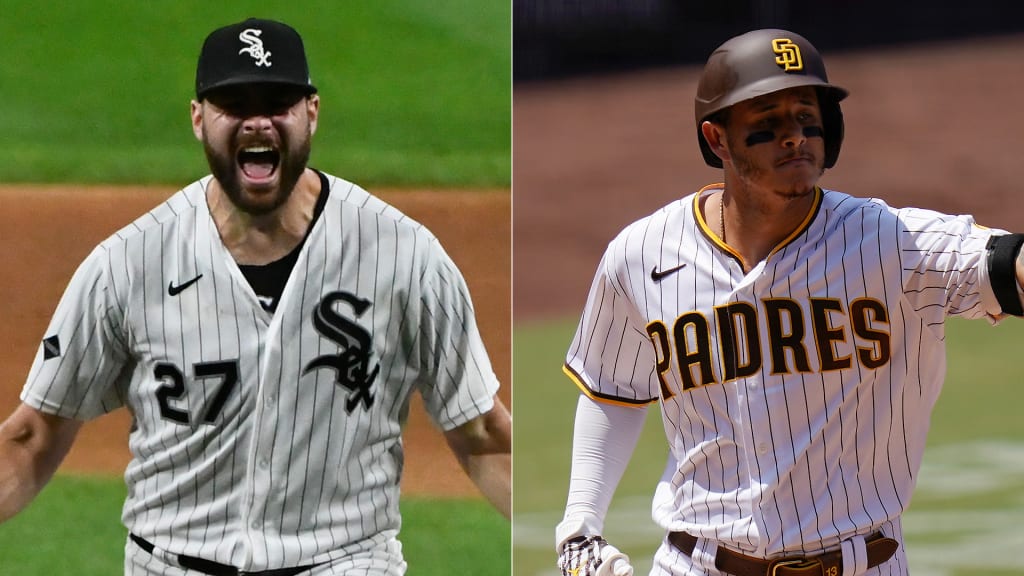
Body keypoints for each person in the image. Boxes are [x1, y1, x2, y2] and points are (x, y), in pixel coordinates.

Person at [0, 17, 510, 576]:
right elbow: (31, 437)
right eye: (234, 104)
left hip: (344, 563)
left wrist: (572, 532)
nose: (257, 121)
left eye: (277, 101)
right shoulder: (127, 264)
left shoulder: (405, 256)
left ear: (311, 112)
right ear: (199, 119)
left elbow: (484, 435)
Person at [554, 28, 1024, 576]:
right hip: (694, 565)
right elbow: (613, 388)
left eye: (806, 117)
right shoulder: (641, 254)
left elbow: (1003, 261)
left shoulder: (891, 242)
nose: (794, 137)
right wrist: (580, 528)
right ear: (717, 138)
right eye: (767, 122)